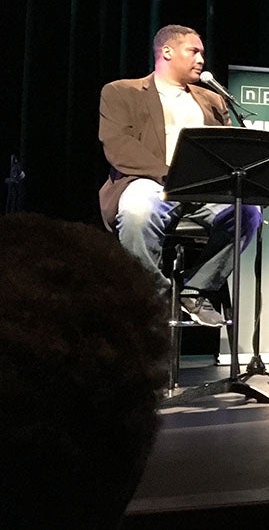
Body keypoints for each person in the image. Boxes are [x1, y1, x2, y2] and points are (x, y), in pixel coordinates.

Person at [0, 212, 169, 527]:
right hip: (142, 185)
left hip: (187, 193)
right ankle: (158, 290)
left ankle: (202, 287)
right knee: (137, 212)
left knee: (246, 213)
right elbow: (124, 159)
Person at [99, 24, 262, 327]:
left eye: (202, 53)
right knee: (137, 211)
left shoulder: (212, 100)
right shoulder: (122, 91)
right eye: (194, 51)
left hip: (200, 189)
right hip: (148, 181)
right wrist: (169, 175)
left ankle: (196, 288)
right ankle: (154, 295)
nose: (201, 59)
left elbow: (224, 149)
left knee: (248, 211)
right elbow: (119, 146)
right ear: (167, 52)